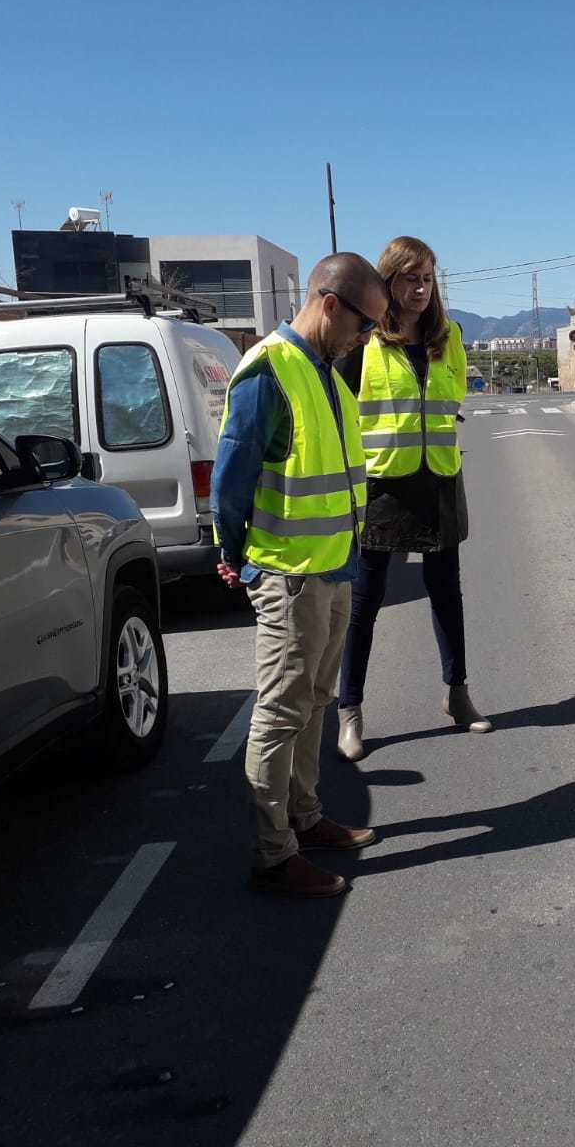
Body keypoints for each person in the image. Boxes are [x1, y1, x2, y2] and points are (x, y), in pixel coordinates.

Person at [212, 253, 388, 899]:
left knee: (315, 700)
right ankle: (273, 854)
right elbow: (231, 481)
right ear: (330, 304)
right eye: (365, 324)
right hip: (288, 575)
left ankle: (306, 817)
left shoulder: (328, 376)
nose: (367, 337)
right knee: (281, 712)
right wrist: (234, 554)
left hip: (332, 569)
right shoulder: (269, 372)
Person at [334, 236, 490, 763]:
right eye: (409, 279)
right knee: (365, 603)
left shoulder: (451, 336)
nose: (421, 289)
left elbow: (453, 401)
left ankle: (457, 694)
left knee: (448, 593)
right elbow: (339, 413)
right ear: (388, 282)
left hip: (440, 479)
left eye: (427, 278)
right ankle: (349, 710)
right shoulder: (363, 344)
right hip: (383, 486)